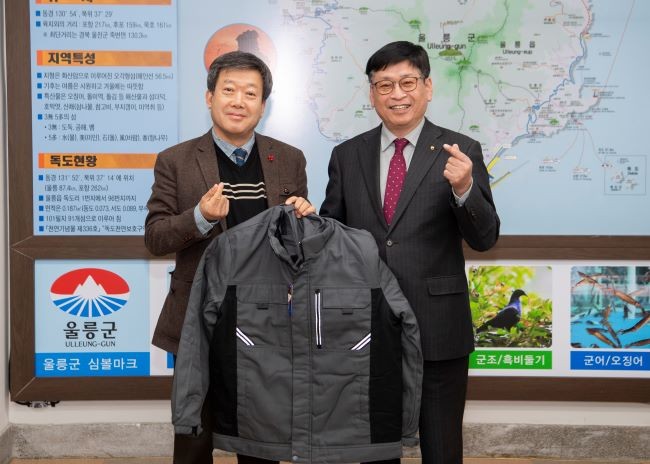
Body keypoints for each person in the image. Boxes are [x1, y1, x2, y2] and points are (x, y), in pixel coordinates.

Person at [319, 41, 500, 464]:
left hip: (438, 324)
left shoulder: (461, 150)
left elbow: (485, 238)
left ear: (428, 87)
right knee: (374, 449)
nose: (397, 94)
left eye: (407, 82)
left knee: (442, 448)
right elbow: (333, 238)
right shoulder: (347, 156)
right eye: (385, 85)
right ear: (372, 94)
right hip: (367, 327)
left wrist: (464, 189)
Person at [145, 51, 314, 464]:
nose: (239, 101)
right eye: (229, 90)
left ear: (263, 104)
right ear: (209, 97)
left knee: (263, 439)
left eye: (250, 93)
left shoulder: (289, 158)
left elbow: (301, 248)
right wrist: (200, 217)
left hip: (269, 317)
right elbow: (155, 237)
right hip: (199, 315)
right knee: (194, 433)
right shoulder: (176, 160)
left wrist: (305, 221)